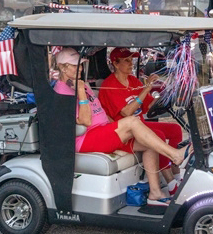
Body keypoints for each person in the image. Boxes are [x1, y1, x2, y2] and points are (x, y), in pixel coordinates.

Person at [54, 48, 184, 204]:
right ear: (62, 68)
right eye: (76, 66)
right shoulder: (62, 91)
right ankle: (175, 155)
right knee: (132, 121)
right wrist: (81, 91)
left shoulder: (82, 85)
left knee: (150, 144)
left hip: (103, 131)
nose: (80, 69)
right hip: (85, 138)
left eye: (80, 65)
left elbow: (101, 112)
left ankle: (155, 192)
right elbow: (86, 121)